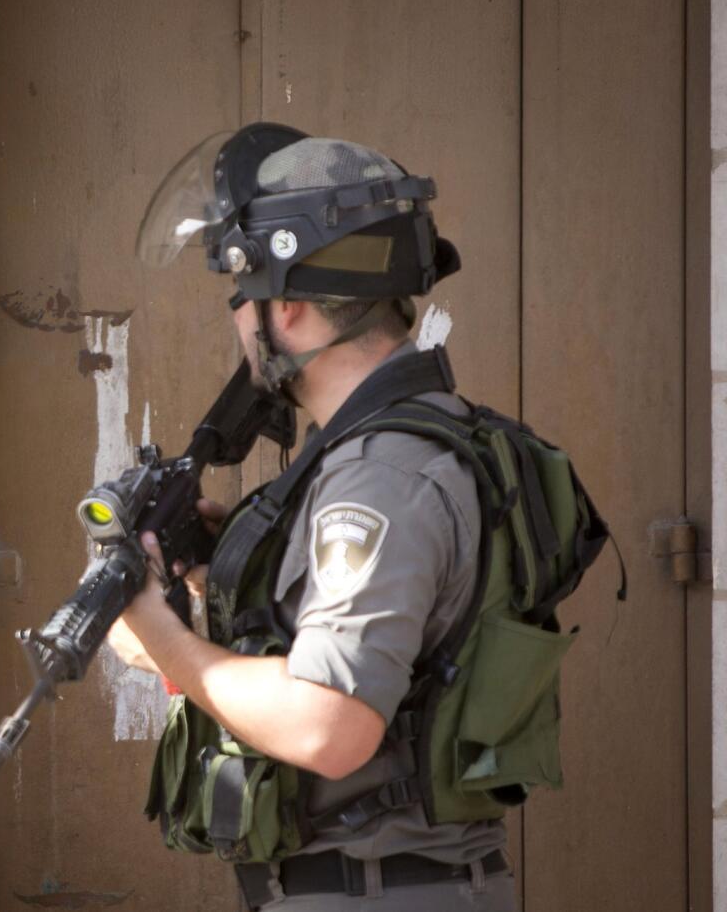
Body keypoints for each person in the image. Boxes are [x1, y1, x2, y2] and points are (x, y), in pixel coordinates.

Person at [109, 125, 520, 909]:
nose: (240, 321)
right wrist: (237, 571)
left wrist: (166, 645)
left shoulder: (378, 480)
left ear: (287, 307)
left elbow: (330, 727)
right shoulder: (401, 443)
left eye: (242, 297)